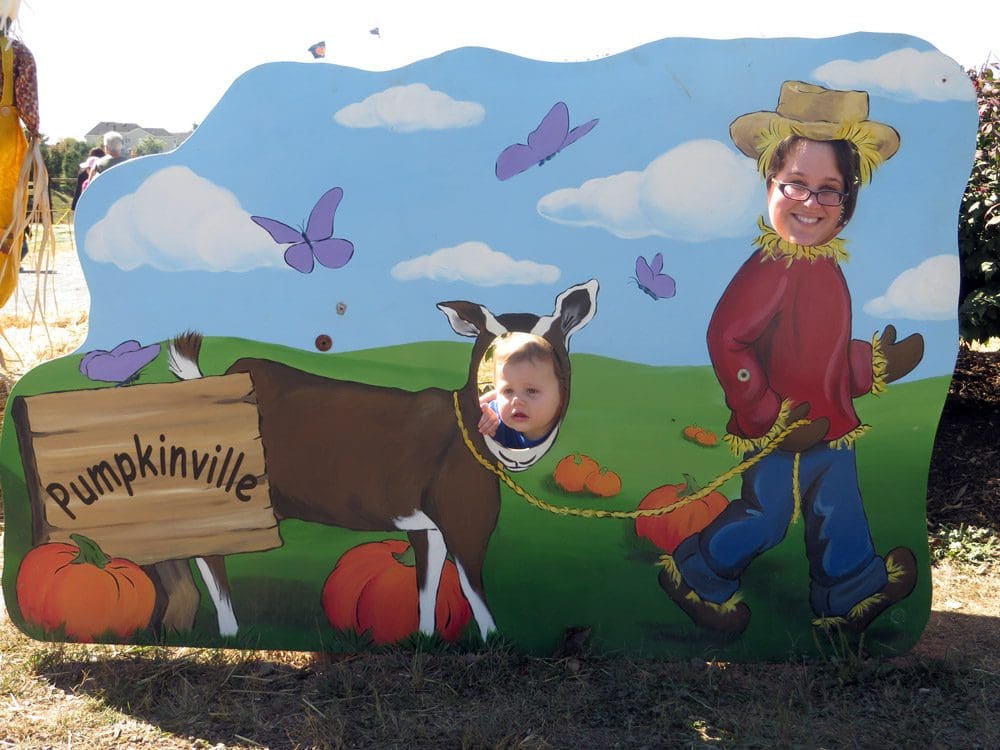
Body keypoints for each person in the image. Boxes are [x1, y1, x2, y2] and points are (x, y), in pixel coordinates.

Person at [657, 81, 924, 635]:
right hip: (789, 427)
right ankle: (696, 576)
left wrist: (870, 366)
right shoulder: (773, 268)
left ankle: (852, 593)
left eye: (830, 190)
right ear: (770, 186)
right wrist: (767, 417)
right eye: (796, 185)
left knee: (839, 507)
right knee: (767, 515)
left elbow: (815, 352)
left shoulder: (822, 265)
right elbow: (727, 339)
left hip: (828, 425)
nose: (812, 203)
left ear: (849, 200)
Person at [0, 0, 38, 305]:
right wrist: (36, 131)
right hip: (5, 152)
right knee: (5, 229)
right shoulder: (17, 54)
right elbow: (29, 108)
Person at [477, 332, 563, 449]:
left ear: (562, 393)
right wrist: (481, 416)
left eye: (531, 391)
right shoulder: (494, 420)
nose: (516, 401)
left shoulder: (570, 426)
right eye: (508, 391)